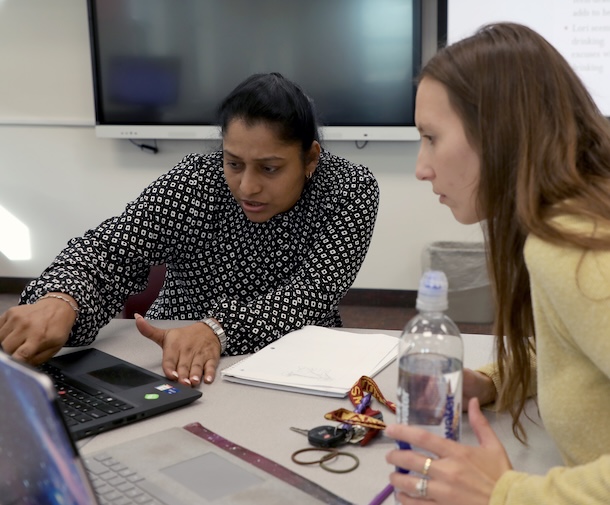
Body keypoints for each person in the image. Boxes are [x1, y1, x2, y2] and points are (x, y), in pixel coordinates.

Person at [0, 72, 379, 388]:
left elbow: (312, 292)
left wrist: (218, 329)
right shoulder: (195, 182)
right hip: (175, 354)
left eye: (269, 168)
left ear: (310, 158)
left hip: (300, 364)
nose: (247, 186)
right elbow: (112, 248)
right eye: (233, 163)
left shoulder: (349, 189)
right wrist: (63, 298)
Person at [385, 23, 610, 504]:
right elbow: (579, 349)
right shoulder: (574, 215)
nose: (421, 167)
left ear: (497, 133)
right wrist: (493, 380)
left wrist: (502, 494)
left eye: (431, 137)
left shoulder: (571, 245)